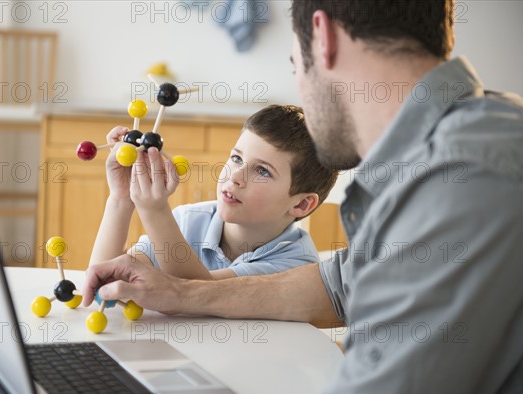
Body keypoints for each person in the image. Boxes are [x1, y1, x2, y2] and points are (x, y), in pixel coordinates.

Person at [83, 1, 523, 394]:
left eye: (295, 66)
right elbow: (336, 286)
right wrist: (182, 292)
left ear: (324, 37)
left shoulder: (464, 173)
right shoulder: (464, 143)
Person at [89, 104, 339, 280]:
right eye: (237, 158)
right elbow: (106, 282)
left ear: (302, 205)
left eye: (262, 171)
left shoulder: (297, 267)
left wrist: (155, 212)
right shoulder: (188, 220)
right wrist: (121, 199)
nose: (235, 176)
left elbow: (196, 295)